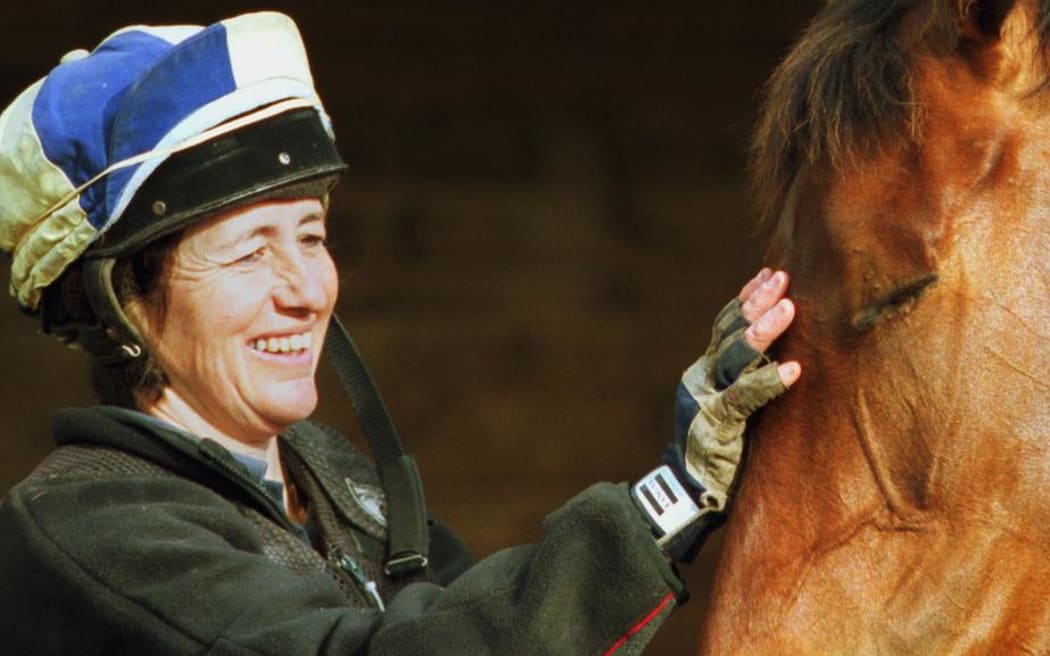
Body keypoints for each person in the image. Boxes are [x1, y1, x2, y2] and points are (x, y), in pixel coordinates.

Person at [0, 12, 800, 655]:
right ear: (121, 308)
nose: (306, 291)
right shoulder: (90, 530)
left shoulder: (324, 474)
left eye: (310, 237)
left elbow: (470, 621)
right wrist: (670, 498)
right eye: (250, 252)